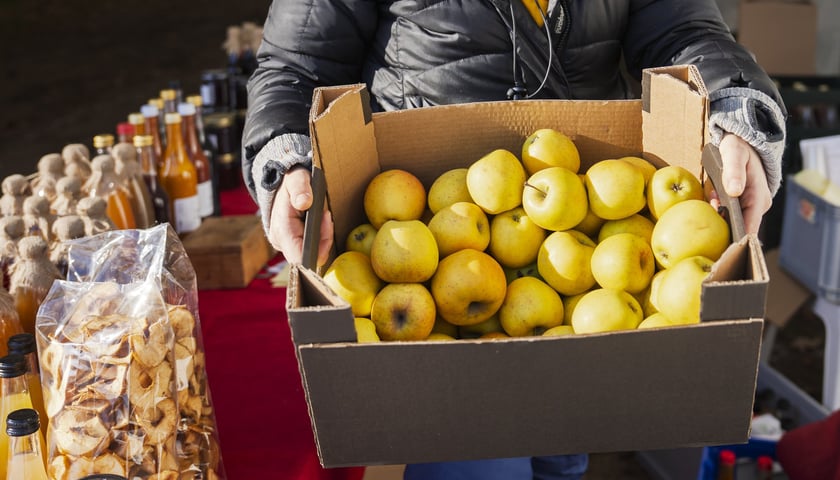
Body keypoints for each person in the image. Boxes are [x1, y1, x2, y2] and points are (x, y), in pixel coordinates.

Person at [241, 1, 786, 478]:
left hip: (587, 233)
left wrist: (736, 104)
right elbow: (298, 62)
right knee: (477, 460)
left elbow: (682, 27)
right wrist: (286, 157)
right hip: (423, 223)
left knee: (566, 449)